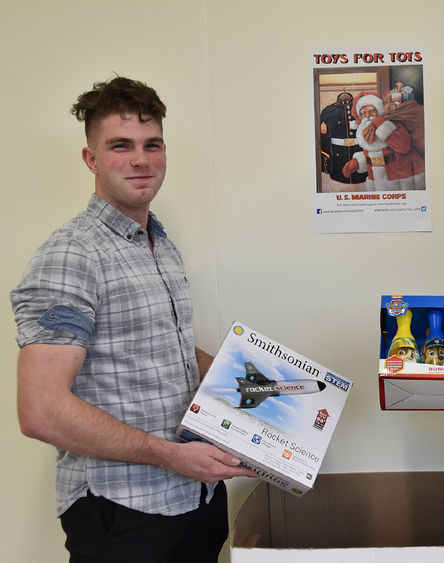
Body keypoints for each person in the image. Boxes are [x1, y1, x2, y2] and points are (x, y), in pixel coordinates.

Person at [11, 76, 256, 562]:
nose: (141, 160)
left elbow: (164, 347)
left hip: (195, 498)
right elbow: (41, 409)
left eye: (152, 144)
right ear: (91, 159)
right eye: (120, 146)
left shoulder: (158, 243)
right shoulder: (71, 256)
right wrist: (171, 455)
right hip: (124, 511)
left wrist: (261, 383)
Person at [342, 92, 426, 191]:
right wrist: (358, 162)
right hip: (376, 179)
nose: (368, 115)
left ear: (378, 110)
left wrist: (381, 125)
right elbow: (372, 153)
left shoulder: (391, 124)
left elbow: (404, 147)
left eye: (371, 111)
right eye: (363, 113)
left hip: (400, 176)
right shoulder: (365, 131)